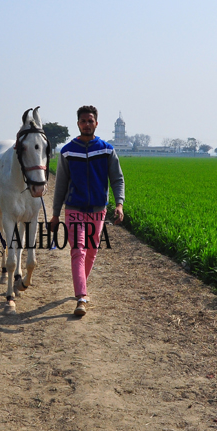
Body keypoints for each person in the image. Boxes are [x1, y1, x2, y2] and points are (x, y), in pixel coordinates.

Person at [49, 105, 125, 317]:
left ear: (96, 123)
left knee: (91, 251)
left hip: (98, 210)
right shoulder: (67, 151)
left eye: (90, 120)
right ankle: (81, 296)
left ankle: (81, 284)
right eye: (83, 121)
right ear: (78, 124)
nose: (87, 124)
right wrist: (55, 214)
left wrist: (119, 204)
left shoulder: (107, 149)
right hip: (74, 208)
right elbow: (61, 186)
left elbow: (117, 179)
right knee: (78, 250)